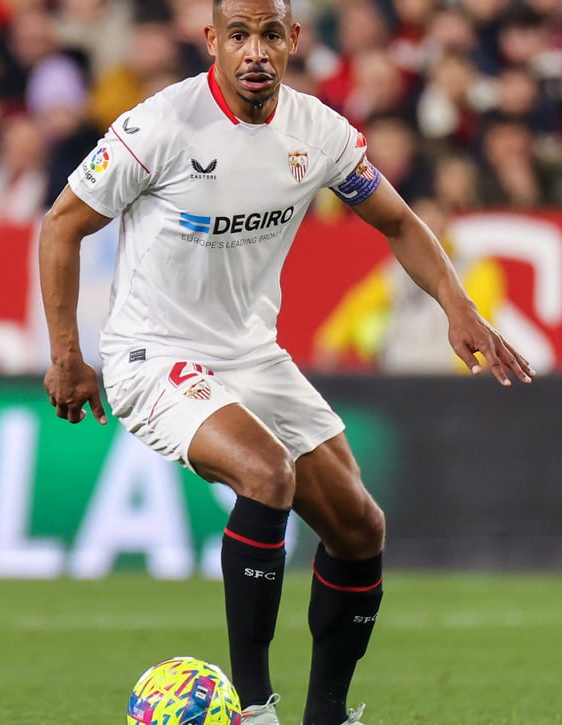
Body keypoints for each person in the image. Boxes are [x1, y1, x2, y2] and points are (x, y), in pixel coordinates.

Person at [37, 0, 534, 723]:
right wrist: (66, 355)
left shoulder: (318, 132)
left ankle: (326, 715)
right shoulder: (160, 126)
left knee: (362, 527)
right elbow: (61, 226)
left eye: (270, 33)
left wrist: (459, 307)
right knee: (267, 473)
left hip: (252, 356)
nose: (255, 50)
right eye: (238, 35)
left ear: (294, 40)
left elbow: (396, 218)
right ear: (213, 41)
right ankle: (254, 705)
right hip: (155, 354)